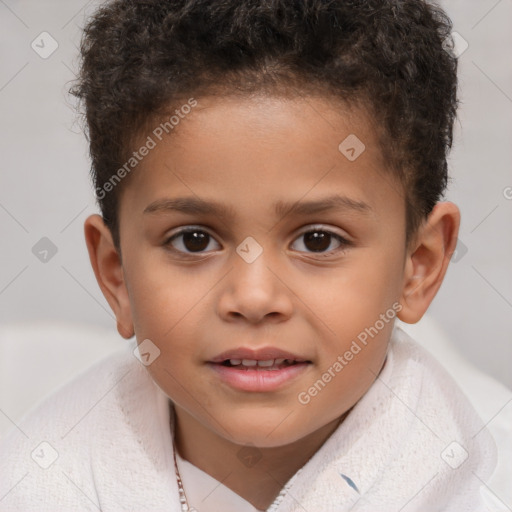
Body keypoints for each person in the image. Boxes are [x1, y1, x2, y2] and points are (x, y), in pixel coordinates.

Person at [0, 1, 504, 510]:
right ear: (117, 276)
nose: (254, 297)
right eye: (193, 240)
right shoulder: (37, 483)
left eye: (318, 240)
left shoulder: (486, 487)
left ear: (417, 267)